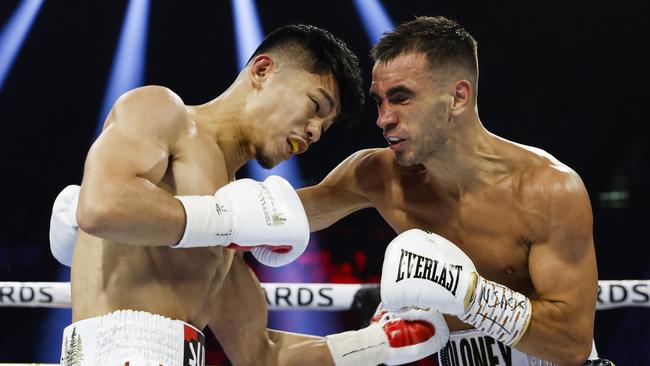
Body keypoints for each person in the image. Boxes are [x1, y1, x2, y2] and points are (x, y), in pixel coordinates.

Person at [50, 24, 450, 366]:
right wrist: (226, 222)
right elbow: (102, 207)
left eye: (324, 127)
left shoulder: (232, 213)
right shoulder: (161, 110)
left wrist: (376, 344)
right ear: (262, 70)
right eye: (314, 105)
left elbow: (259, 352)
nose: (313, 131)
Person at [296, 16, 601, 365]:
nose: (383, 118)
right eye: (380, 101)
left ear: (458, 97)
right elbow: (275, 218)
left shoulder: (546, 190)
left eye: (401, 98)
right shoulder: (377, 175)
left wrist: (470, 296)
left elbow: (572, 343)